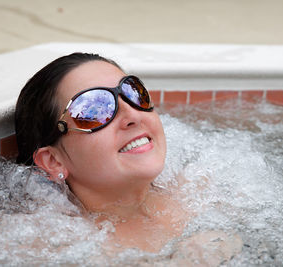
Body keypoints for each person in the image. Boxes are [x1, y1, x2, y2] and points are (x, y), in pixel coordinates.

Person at [15, 53, 242, 259]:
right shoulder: (57, 248)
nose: (132, 114)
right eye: (94, 110)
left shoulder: (202, 193)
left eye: (134, 93)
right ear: (53, 161)